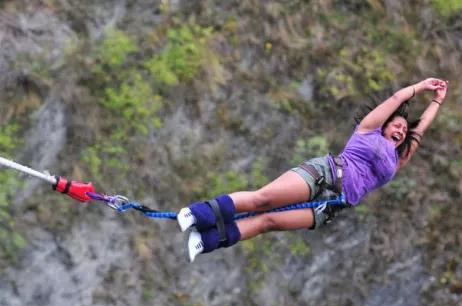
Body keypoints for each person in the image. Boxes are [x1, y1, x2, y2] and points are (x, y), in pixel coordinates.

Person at [177, 78, 448, 262]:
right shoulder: (368, 129)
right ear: (384, 125)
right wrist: (422, 86)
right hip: (325, 175)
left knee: (267, 222)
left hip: (331, 206)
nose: (401, 129)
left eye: (403, 129)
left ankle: (205, 240)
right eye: (396, 124)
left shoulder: (396, 161)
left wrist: (437, 101)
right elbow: (396, 97)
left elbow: (419, 131)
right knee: (263, 200)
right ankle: (196, 213)